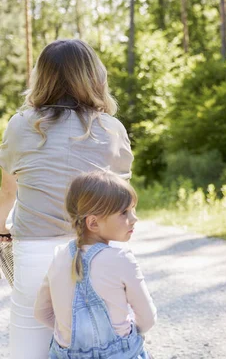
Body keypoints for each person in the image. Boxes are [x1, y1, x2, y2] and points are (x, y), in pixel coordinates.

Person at [0, 39, 134, 358]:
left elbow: (7, 190)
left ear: (41, 77)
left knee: (29, 338)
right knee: (100, 338)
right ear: (94, 76)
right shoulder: (111, 129)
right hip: (95, 250)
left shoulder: (20, 126)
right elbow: (120, 200)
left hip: (34, 249)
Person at [34, 171, 156, 358]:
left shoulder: (59, 255)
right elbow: (147, 319)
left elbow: (41, 313)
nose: (134, 218)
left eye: (133, 209)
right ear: (93, 223)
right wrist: (125, 336)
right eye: (124, 212)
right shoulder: (121, 258)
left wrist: (74, 337)